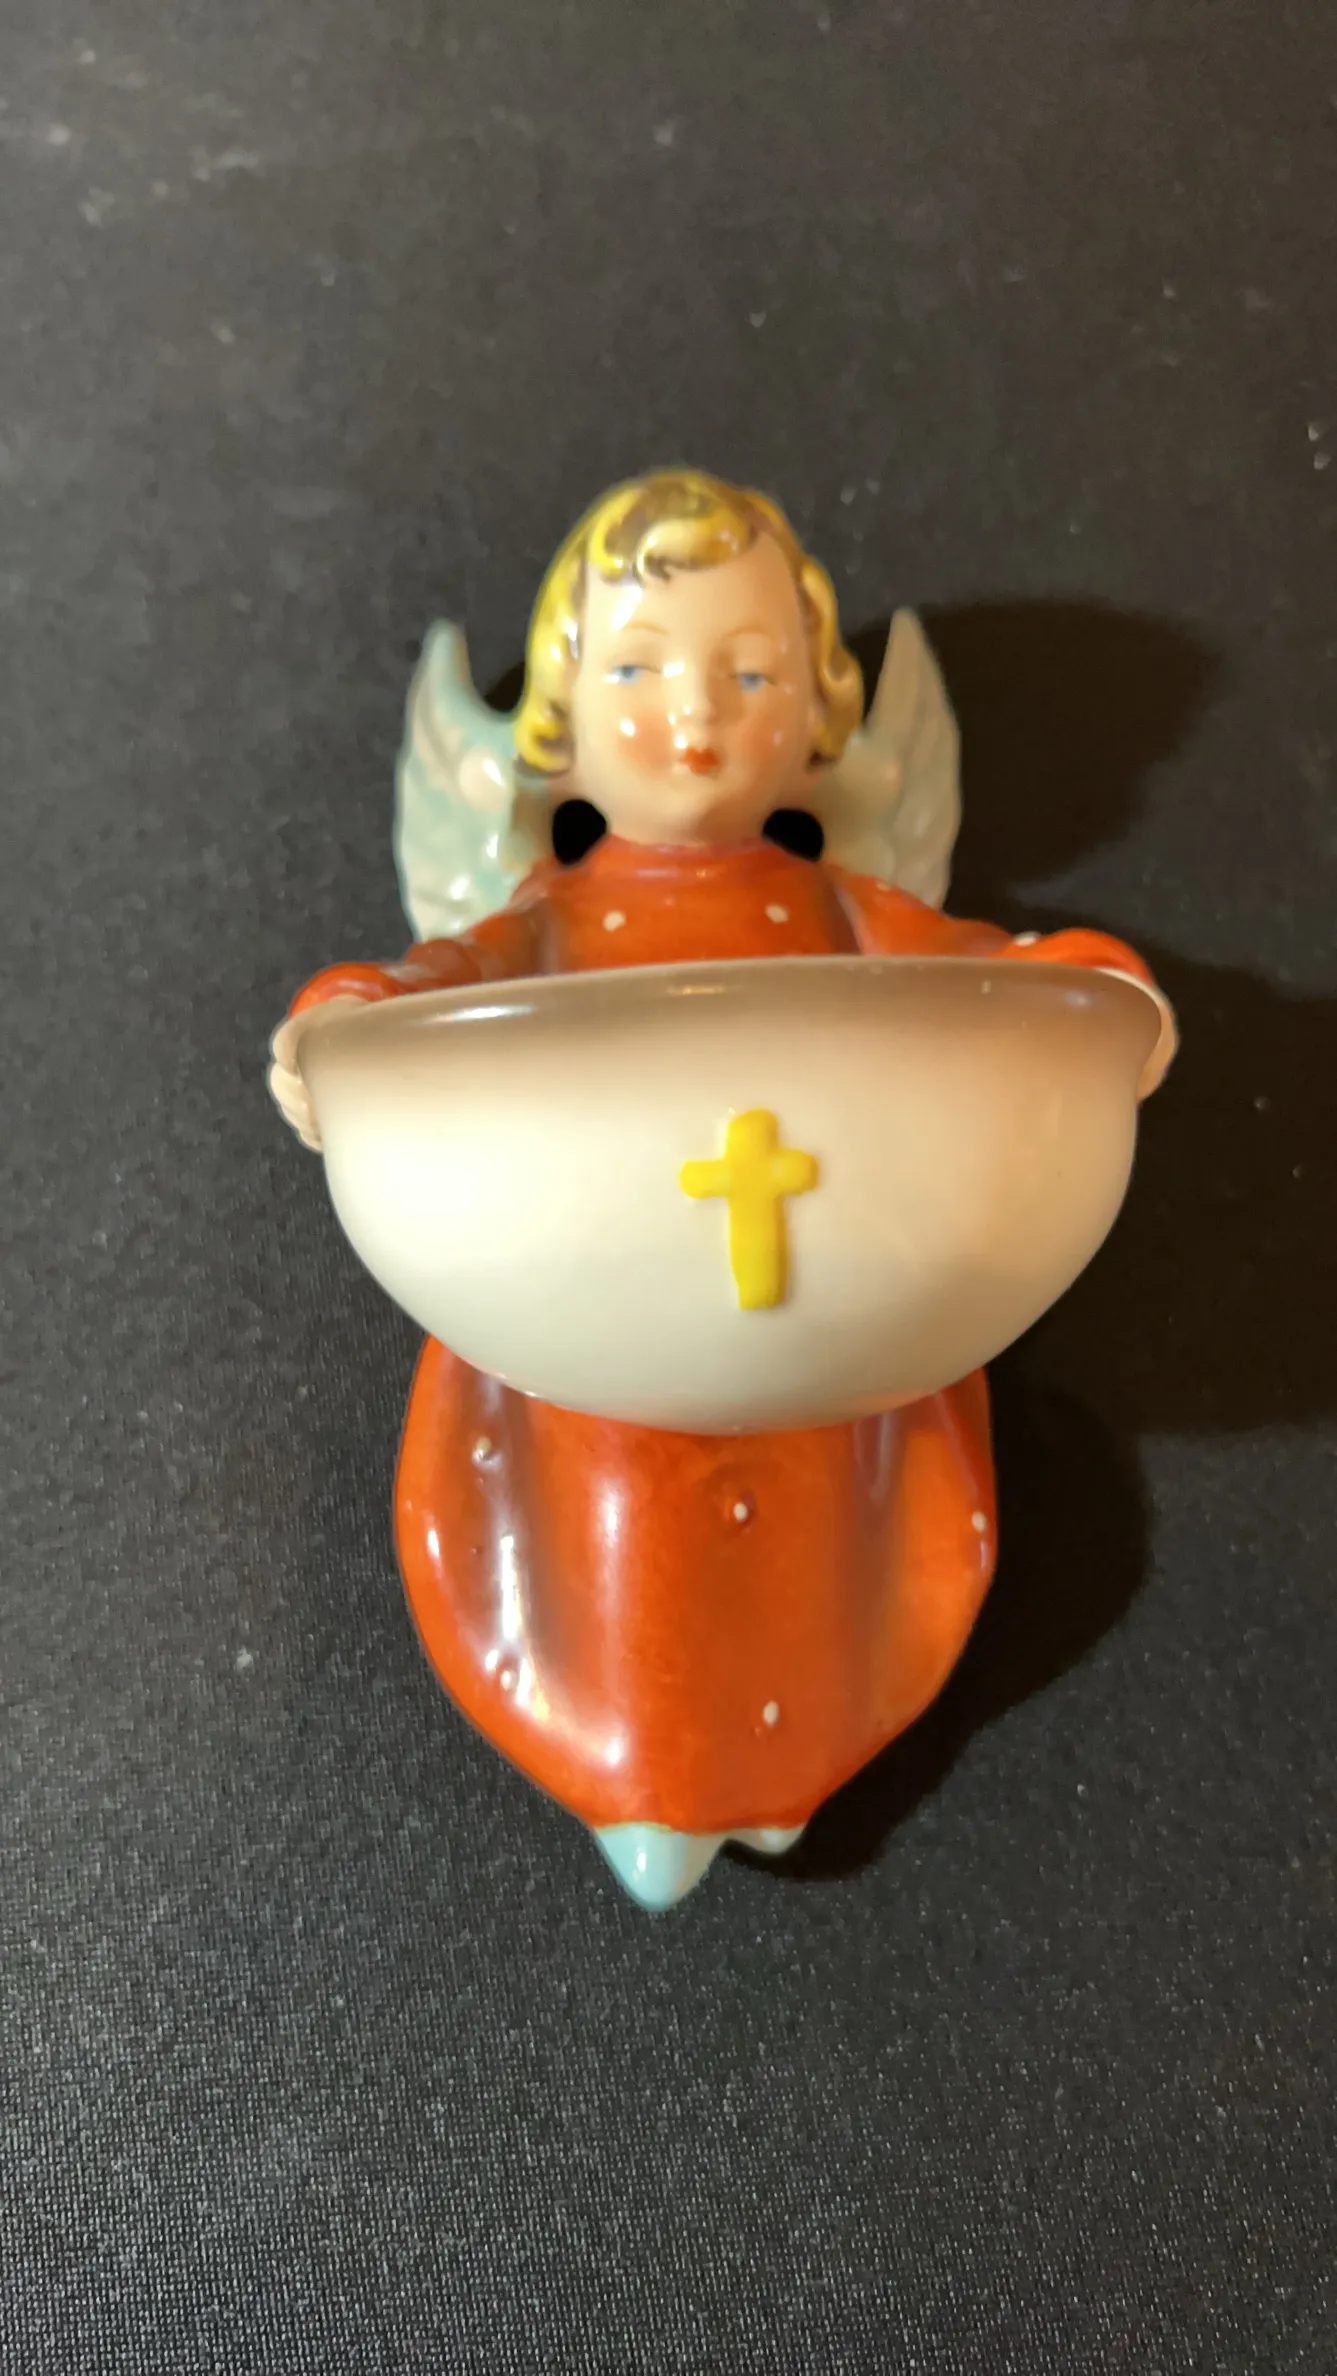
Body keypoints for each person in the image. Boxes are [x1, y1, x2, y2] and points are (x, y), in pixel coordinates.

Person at [270, 470, 1174, 1907]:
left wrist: (1094, 994)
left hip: (827, 1328)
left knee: (822, 1531)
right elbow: (431, 982)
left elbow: (982, 969)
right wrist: (347, 1020)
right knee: (625, 1532)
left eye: (749, 674)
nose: (693, 715)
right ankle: (647, 1777)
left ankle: (781, 1767)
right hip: (599, 1333)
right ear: (563, 713)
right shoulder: (547, 920)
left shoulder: (840, 909)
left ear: (812, 713)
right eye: (637, 672)